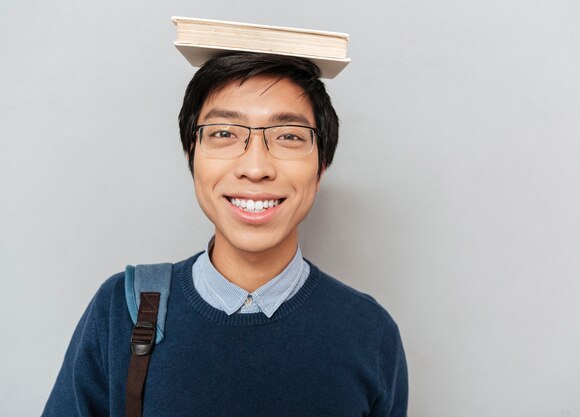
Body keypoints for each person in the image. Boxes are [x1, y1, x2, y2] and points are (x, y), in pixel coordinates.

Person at [43, 52, 408, 417]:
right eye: (223, 133)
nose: (255, 167)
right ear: (191, 156)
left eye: (288, 136)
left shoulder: (370, 332)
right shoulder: (122, 309)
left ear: (321, 166)